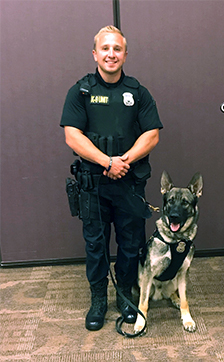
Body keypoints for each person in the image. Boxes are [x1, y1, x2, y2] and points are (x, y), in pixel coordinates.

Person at [60, 25, 163, 331]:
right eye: (105, 48)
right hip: (93, 185)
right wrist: (106, 161)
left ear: (125, 55)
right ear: (95, 53)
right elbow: (72, 136)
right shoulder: (81, 91)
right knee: (96, 244)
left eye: (117, 49)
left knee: (131, 244)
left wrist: (123, 161)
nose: (111, 54)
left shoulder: (137, 92)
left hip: (129, 183)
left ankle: (126, 297)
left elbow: (152, 134)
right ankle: (98, 300)